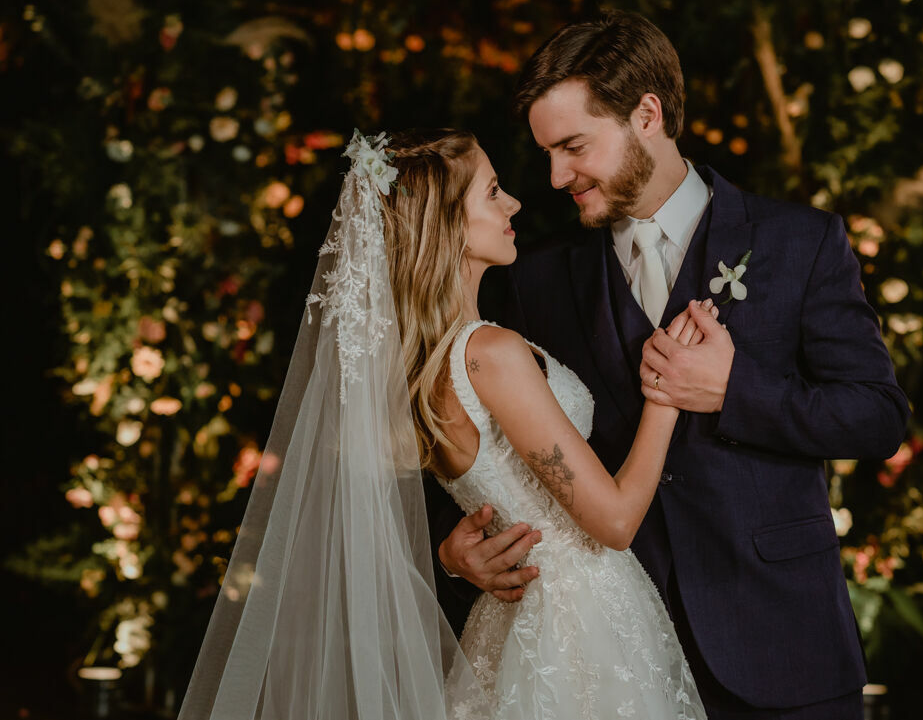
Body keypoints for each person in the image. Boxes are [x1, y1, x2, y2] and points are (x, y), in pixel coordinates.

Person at [434, 11, 911, 720]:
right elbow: (494, 444)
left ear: (647, 115)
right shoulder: (538, 280)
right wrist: (454, 556)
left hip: (783, 643)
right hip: (611, 665)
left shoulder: (799, 242)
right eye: (547, 154)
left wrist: (733, 389)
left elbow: (877, 417)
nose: (557, 176)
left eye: (573, 147)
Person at [177, 127, 714, 719]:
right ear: (448, 225)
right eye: (493, 192)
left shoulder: (420, 370)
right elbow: (613, 521)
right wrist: (665, 394)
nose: (514, 204)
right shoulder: (490, 354)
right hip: (578, 619)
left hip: (518, 616)